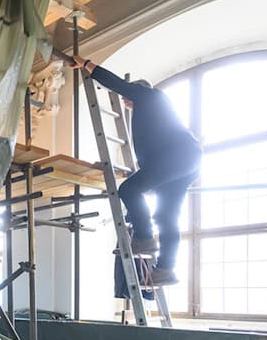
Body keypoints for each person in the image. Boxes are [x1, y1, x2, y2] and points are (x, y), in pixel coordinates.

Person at [70, 55, 202, 286]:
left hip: (180, 157)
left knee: (129, 191)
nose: (126, 103)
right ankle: (166, 269)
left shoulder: (150, 96)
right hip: (183, 162)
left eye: (127, 98)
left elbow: (117, 84)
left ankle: (144, 236)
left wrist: (87, 65)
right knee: (166, 217)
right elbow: (154, 161)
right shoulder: (155, 118)